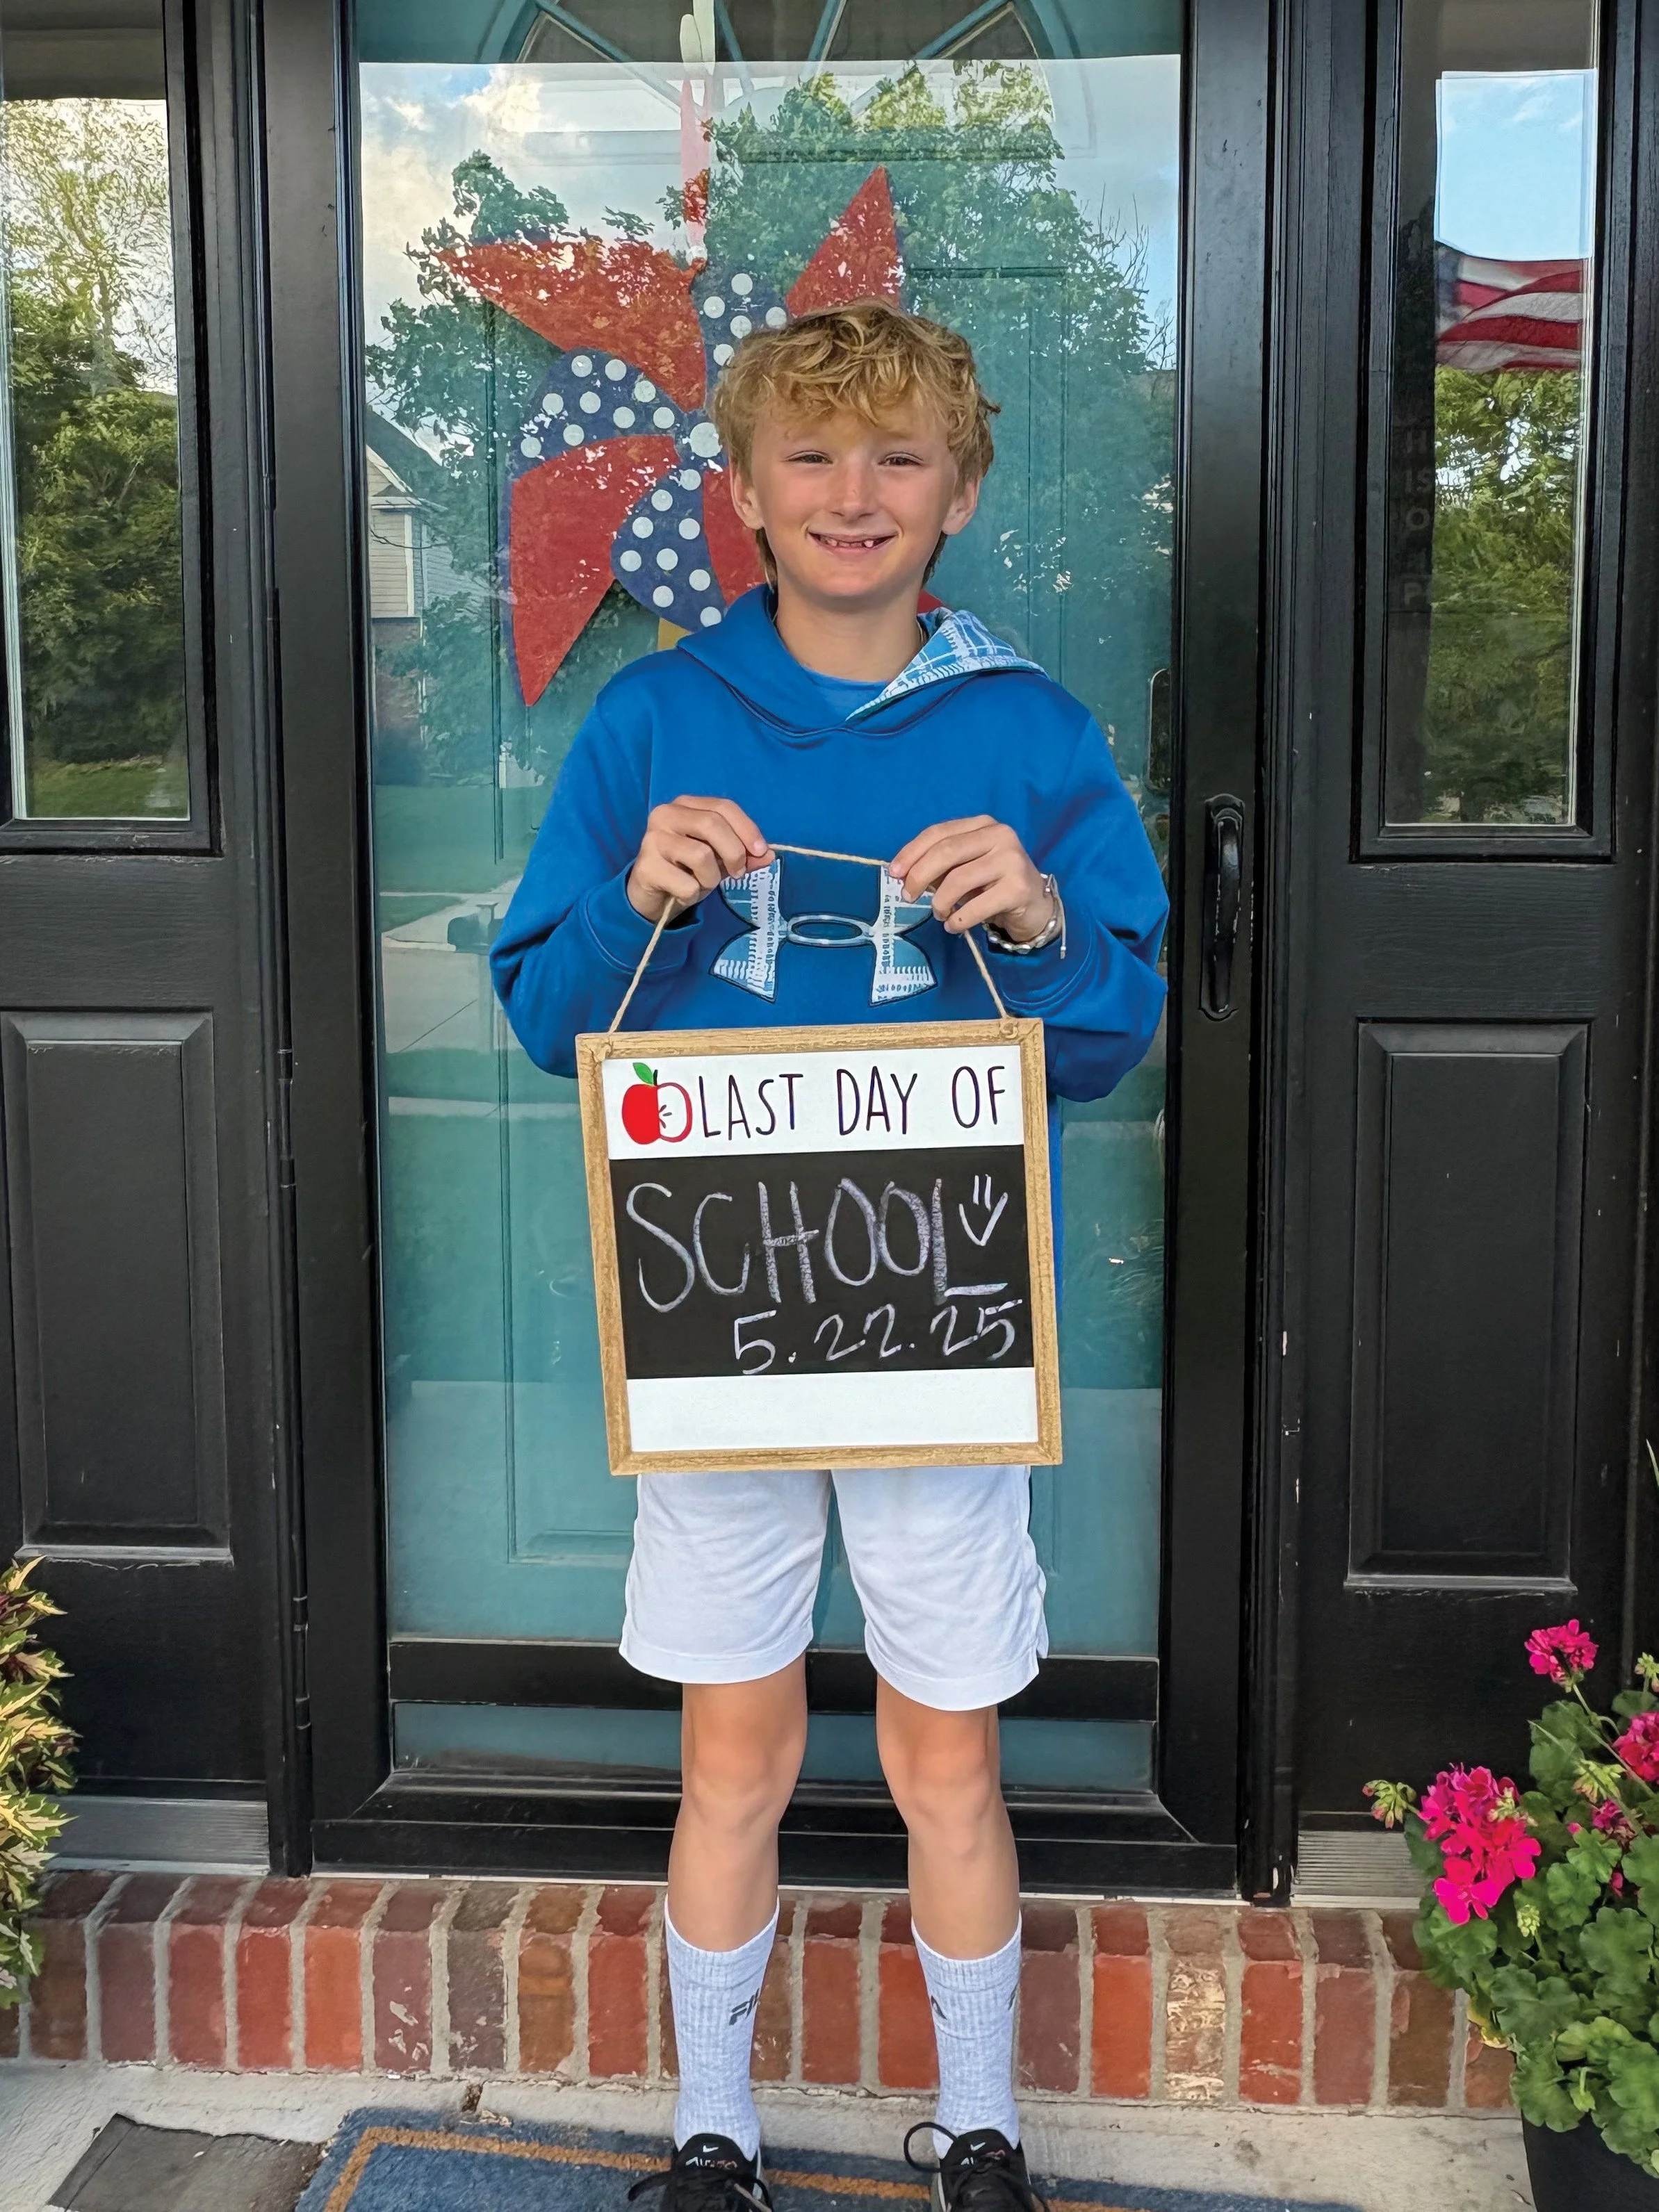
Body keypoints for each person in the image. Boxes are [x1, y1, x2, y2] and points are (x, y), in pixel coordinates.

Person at [491, 301, 1168, 2212]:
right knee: (737, 1746)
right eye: (811, 456)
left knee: (950, 1755)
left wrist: (1037, 917)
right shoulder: (654, 716)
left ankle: (985, 2132)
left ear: (957, 489)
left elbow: (1116, 1033)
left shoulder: (1028, 731)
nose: (852, 493)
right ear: (745, 495)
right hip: (723, 1309)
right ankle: (712, 2129)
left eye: (895, 458)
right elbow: (552, 1015)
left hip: (935, 1309)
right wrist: (643, 904)